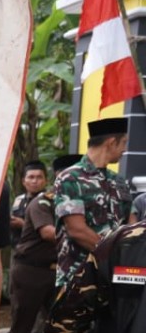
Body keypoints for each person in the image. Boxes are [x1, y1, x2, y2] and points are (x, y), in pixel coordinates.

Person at [53, 116, 133, 290]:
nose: (125, 149)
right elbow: (77, 230)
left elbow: (131, 225)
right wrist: (112, 257)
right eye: (124, 142)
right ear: (111, 143)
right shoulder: (70, 178)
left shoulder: (119, 182)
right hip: (78, 278)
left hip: (116, 279)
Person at [1, 161, 55, 333]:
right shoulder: (23, 201)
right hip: (28, 268)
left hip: (54, 269)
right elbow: (45, 232)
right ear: (23, 180)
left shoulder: (53, 201)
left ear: (46, 179)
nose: (34, 181)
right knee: (20, 326)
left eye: (39, 177)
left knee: (58, 329)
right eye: (30, 177)